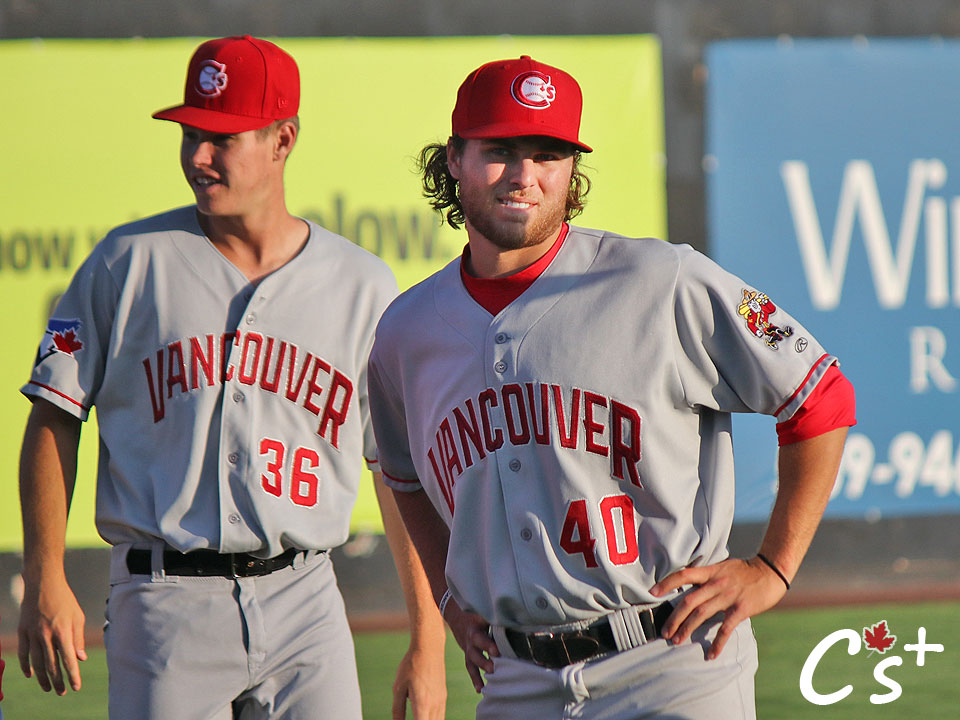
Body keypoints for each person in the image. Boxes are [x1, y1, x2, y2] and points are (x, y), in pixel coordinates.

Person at [366, 55, 856, 719]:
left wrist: (771, 567)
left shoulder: (660, 280)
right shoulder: (407, 331)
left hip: (675, 661)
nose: (523, 176)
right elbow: (400, 475)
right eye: (499, 151)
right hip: (516, 682)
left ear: (572, 170)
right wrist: (450, 602)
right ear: (453, 159)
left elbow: (818, 394)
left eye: (548, 154)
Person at [17, 35, 445, 720]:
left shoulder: (360, 285)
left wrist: (427, 639)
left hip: (307, 600)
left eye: (222, 137)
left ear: (283, 140)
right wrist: (45, 575)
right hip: (164, 602)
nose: (198, 156)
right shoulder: (126, 263)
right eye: (190, 134)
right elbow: (53, 417)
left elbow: (395, 470)